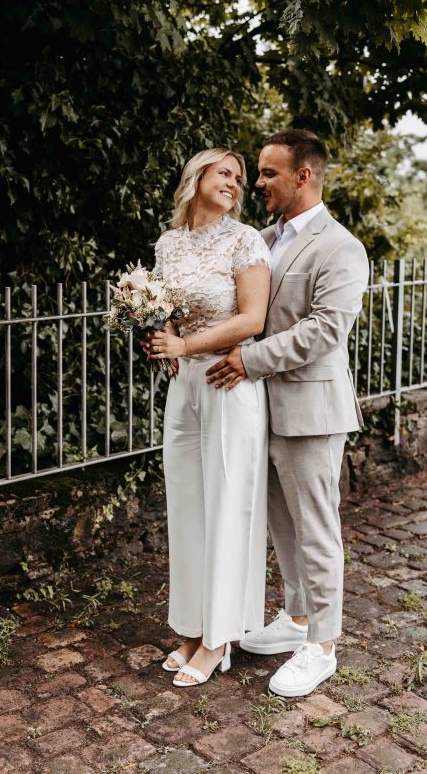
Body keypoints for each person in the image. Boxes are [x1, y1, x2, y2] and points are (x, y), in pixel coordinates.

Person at [206, 129, 369, 698]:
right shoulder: (262, 239)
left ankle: (322, 645)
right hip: (260, 410)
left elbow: (325, 330)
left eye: (268, 173)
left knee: (316, 530)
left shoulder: (341, 247)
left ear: (304, 175)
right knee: (282, 525)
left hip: (311, 410)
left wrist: (249, 360)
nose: (257, 183)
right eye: (258, 172)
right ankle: (297, 618)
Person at [144, 147, 271, 687]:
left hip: (227, 382)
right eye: (225, 173)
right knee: (187, 508)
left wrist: (185, 344)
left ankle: (219, 639)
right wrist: (161, 338)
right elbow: (167, 312)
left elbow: (253, 319)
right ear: (196, 177)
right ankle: (193, 630)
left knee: (226, 508)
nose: (235, 184)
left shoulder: (246, 240)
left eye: (240, 178)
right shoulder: (168, 244)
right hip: (184, 387)